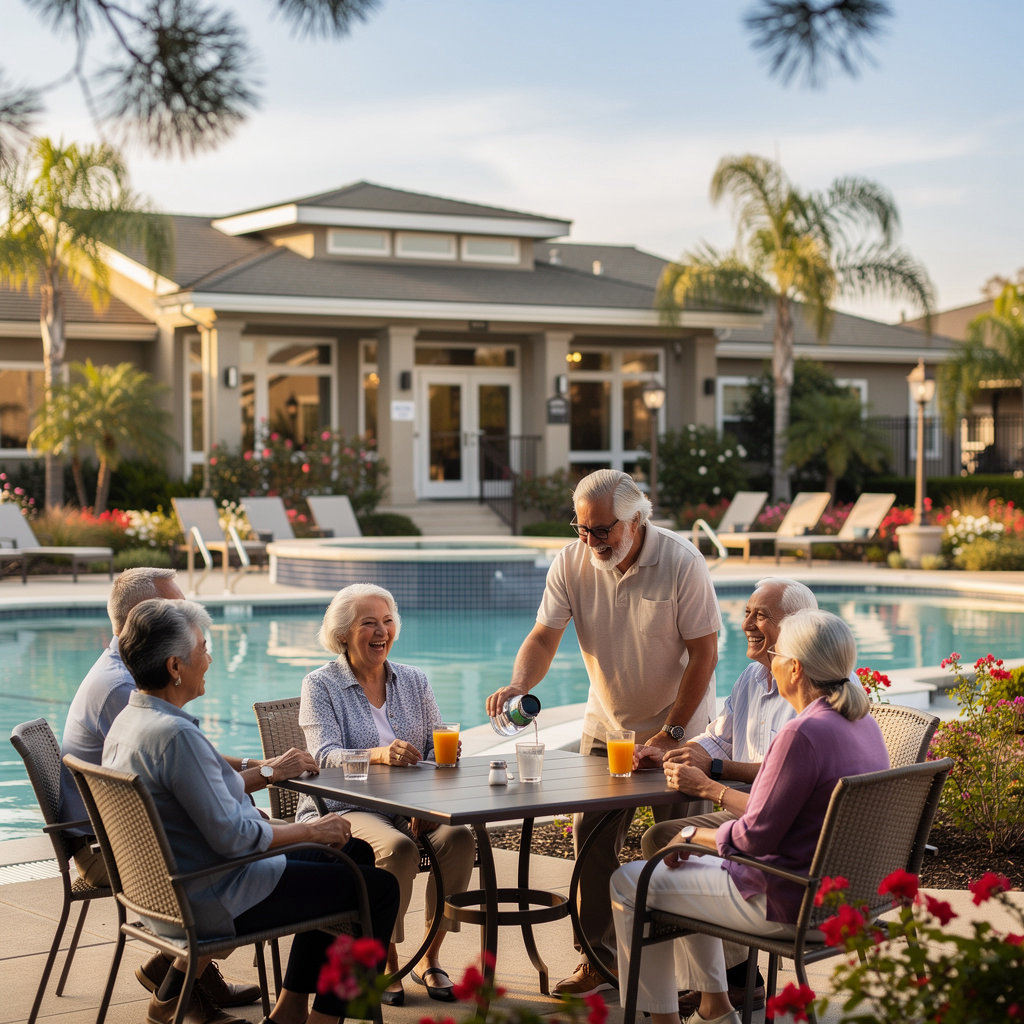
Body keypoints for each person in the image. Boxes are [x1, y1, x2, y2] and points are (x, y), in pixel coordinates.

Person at [485, 468, 722, 996]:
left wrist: (671, 731)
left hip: (678, 729)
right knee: (589, 844)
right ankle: (598, 960)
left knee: (679, 851)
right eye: (582, 528)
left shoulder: (682, 562)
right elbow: (545, 635)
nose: (591, 540)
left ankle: (695, 979)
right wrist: (520, 682)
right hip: (607, 726)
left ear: (635, 521)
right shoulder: (571, 562)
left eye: (603, 530)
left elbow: (704, 653)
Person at [110, 598, 399, 1024]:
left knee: (352, 854)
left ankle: (291, 1010)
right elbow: (236, 839)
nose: (208, 659)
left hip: (169, 890)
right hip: (217, 894)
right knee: (378, 889)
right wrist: (311, 831)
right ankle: (328, 1018)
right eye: (203, 649)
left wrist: (269, 783)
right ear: (175, 667)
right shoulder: (175, 736)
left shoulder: (132, 723)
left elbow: (210, 797)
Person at [610, 609, 889, 1024]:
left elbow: (751, 840)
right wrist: (699, 833)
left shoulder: (801, 734)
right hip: (849, 898)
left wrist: (689, 833)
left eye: (776, 654)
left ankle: (664, 1019)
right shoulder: (861, 722)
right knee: (686, 871)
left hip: (790, 903)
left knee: (630, 880)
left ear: (794, 668)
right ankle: (716, 1008)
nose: (770, 663)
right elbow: (775, 814)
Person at [59, 567, 318, 1009]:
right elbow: (203, 793)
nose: (190, 623)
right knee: (357, 877)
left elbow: (197, 767)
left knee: (324, 855)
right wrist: (272, 779)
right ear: (150, 622)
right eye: (177, 611)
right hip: (137, 860)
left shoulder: (132, 688)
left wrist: (261, 767)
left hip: (140, 847)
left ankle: (174, 977)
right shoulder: (126, 689)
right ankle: (186, 980)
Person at [637, 577, 817, 1014]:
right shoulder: (754, 676)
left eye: (762, 615)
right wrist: (678, 752)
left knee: (663, 859)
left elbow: (780, 774)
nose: (748, 624)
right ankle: (721, 984)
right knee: (663, 839)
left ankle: (731, 983)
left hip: (775, 831)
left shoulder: (811, 698)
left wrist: (712, 778)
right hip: (758, 813)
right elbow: (718, 739)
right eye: (748, 612)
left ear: (796, 628)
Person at [297, 583, 475, 1005]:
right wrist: (379, 754)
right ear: (343, 635)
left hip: (410, 802)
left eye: (388, 621)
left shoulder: (414, 679)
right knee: (398, 850)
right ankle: (389, 962)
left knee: (460, 838)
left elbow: (435, 746)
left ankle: (430, 958)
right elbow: (323, 757)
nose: (382, 631)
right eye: (368, 623)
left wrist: (431, 800)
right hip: (345, 806)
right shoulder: (319, 684)